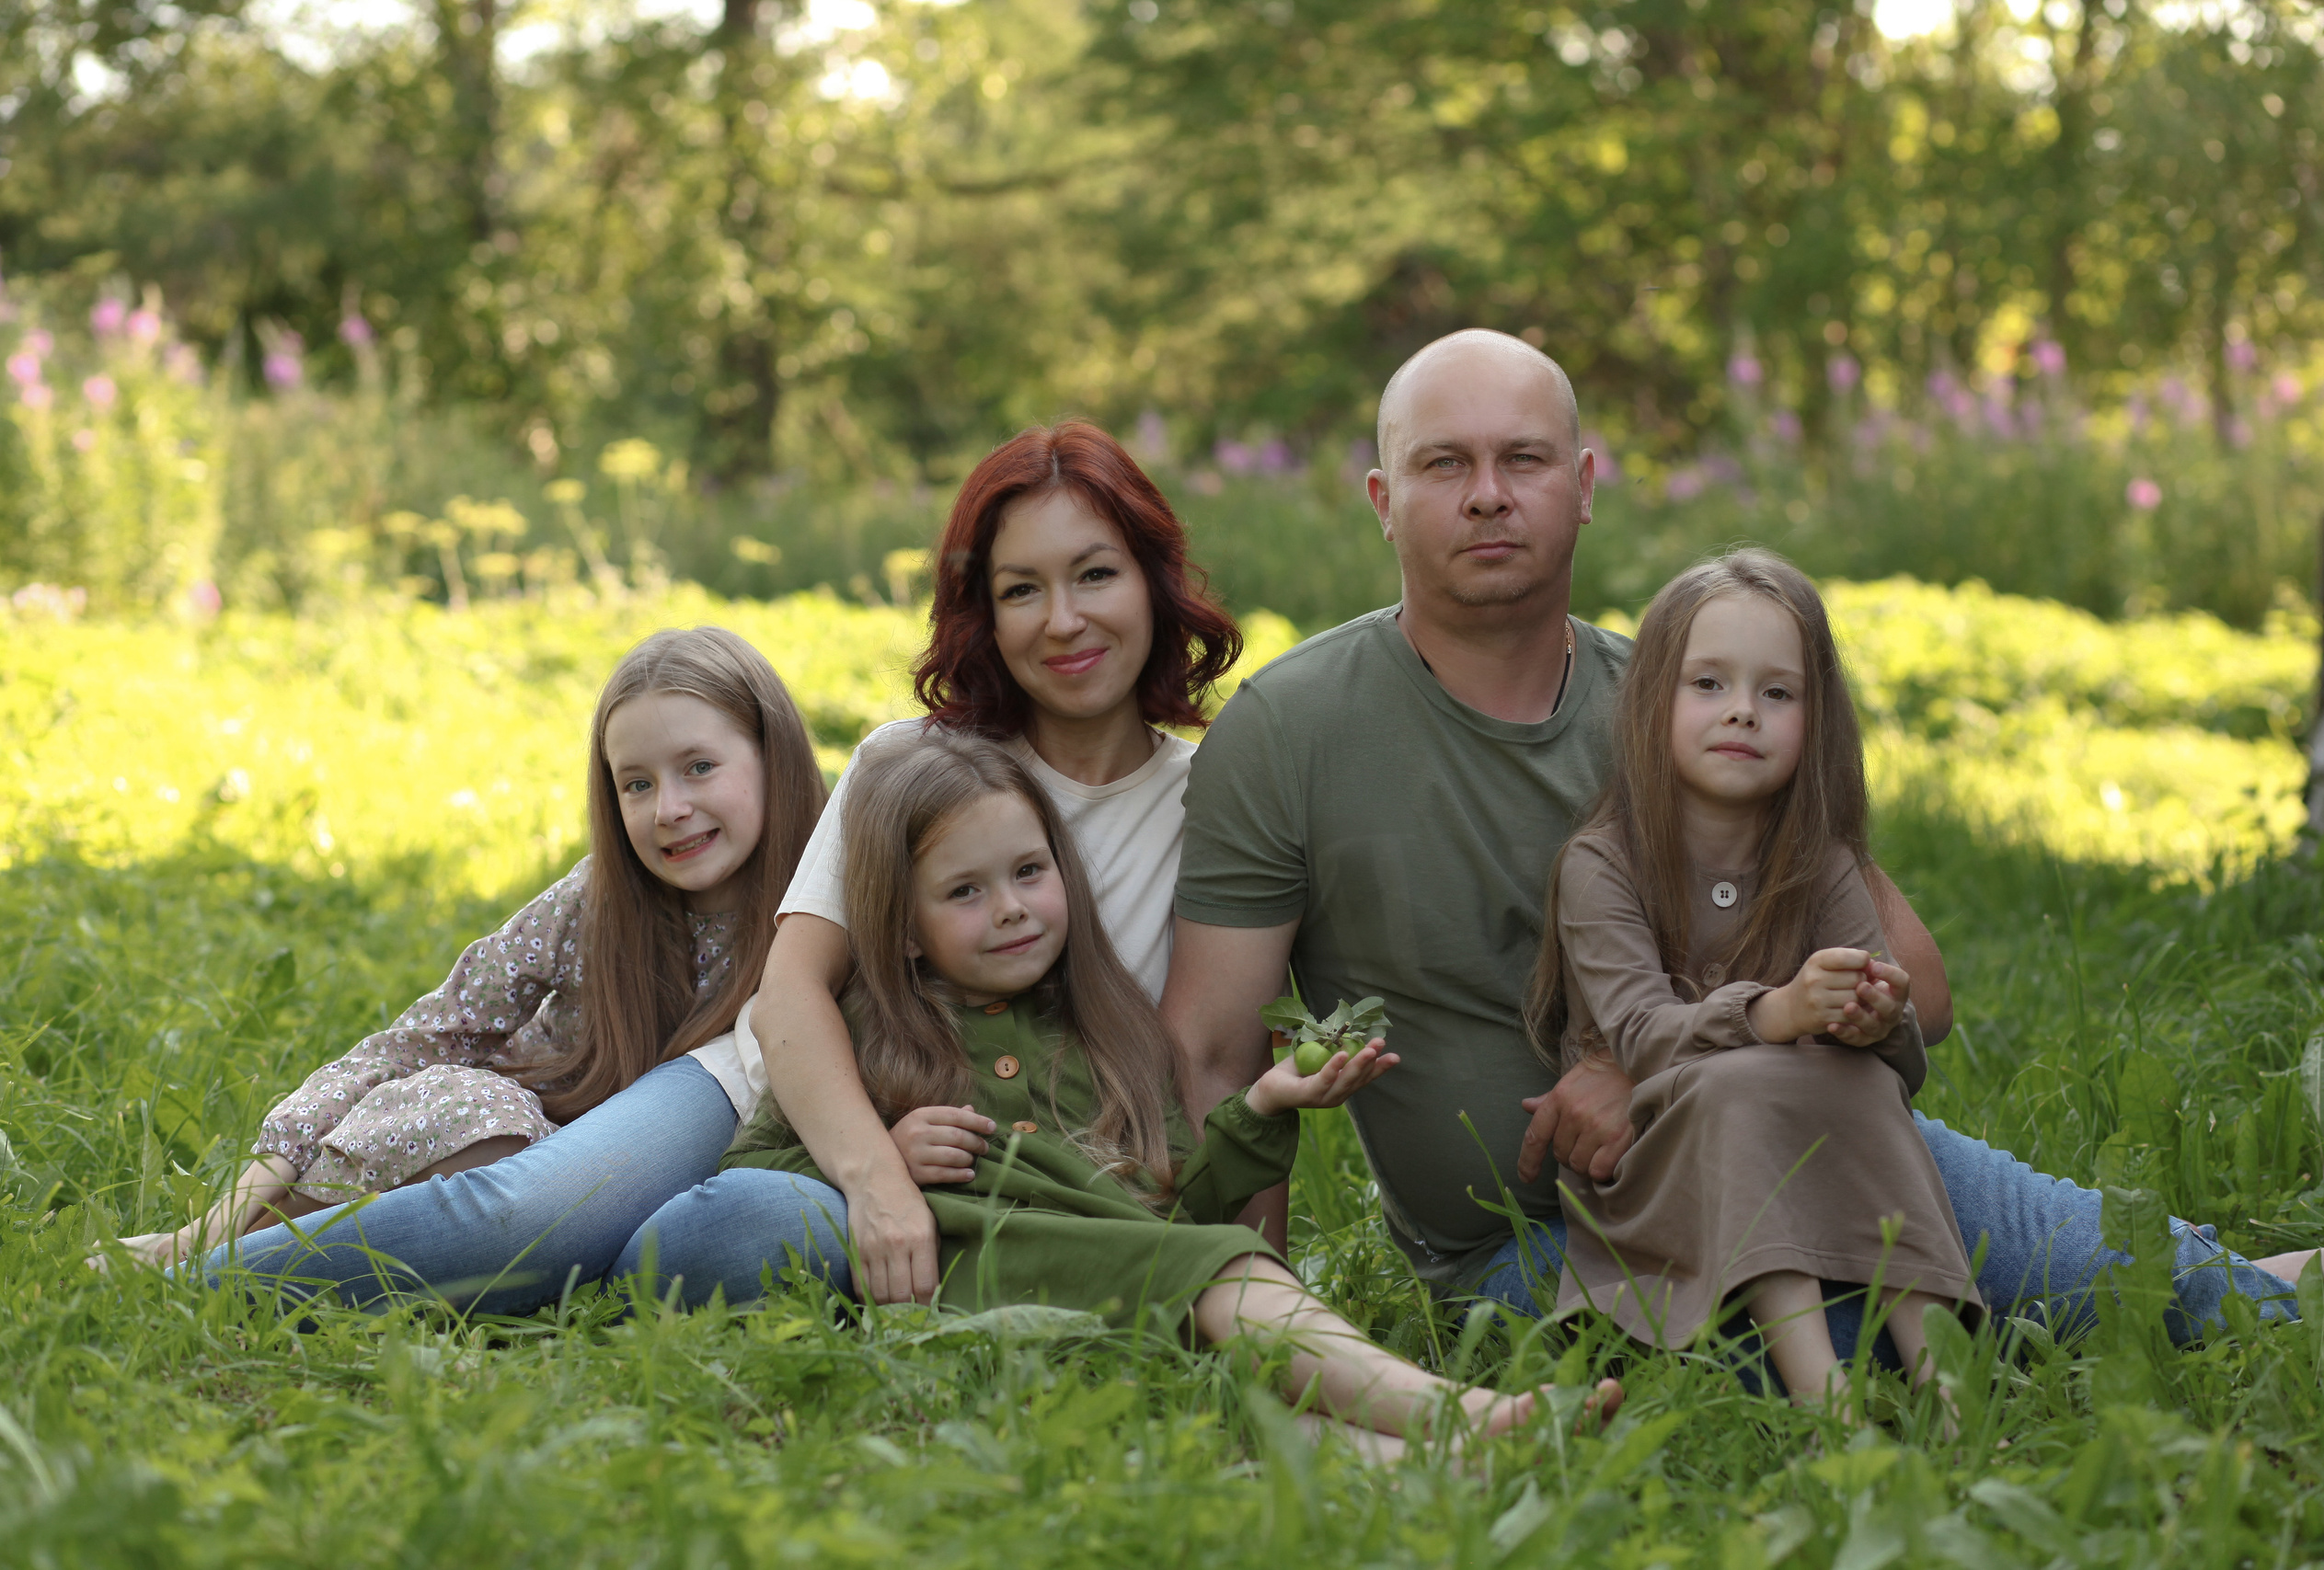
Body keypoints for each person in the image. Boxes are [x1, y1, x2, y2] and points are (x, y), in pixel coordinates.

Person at [1165, 327, 2310, 1362]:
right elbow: (1217, 1057)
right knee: (1903, 1337)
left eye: (1521, 460)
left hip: (1799, 1150)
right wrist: (1267, 1326)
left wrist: (1643, 1057)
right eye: (1442, 465)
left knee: (2141, 1287)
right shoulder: (1290, 732)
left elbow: (1917, 987)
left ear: (1582, 486)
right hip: (1536, 1247)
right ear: (1380, 495)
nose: (1486, 497)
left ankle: (2262, 1288)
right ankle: (2247, 1283)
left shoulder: (1697, 705)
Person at [712, 728, 1615, 1450]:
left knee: (1233, 1401)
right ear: (903, 930)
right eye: (965, 892)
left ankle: (1450, 1462)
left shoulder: (1103, 1035)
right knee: (1223, 1270)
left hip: (1121, 1319)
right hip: (994, 1317)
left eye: (1029, 873)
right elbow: (760, 1174)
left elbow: (1173, 1197)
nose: (1014, 908)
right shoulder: (874, 1039)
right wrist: (878, 1163)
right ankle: (1455, 1412)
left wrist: (1262, 1109)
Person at [623, 421, 1239, 1303]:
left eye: (1097, 573)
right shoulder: (913, 759)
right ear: (985, 612)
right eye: (1022, 589)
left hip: (968, 1179)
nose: (1064, 620)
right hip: (773, 1094)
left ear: (1154, 579)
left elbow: (1218, 1072)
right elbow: (791, 992)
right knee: (519, 1216)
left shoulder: (1213, 804)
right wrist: (876, 1175)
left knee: (723, 1241)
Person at [164, 626, 824, 1312]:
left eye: (699, 767)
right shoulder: (596, 902)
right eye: (636, 783)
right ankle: (258, 1241)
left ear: (771, 753)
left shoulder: (822, 912)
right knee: (493, 1130)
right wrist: (220, 1214)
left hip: (636, 1181)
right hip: (514, 1148)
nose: (669, 809)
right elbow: (419, 1038)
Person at [1528, 548, 1977, 1409]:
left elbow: (1900, 1056)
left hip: (1814, 1143)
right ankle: (1825, 1399)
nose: (1743, 712)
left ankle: (1951, 1389)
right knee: (1737, 1085)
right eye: (1709, 684)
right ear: (1652, 701)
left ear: (1816, 719)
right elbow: (1644, 1037)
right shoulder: (1602, 864)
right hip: (1659, 1170)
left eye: (1777, 693)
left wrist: (1875, 1014)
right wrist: (1774, 1012)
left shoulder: (1820, 861)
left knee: (1865, 1087)